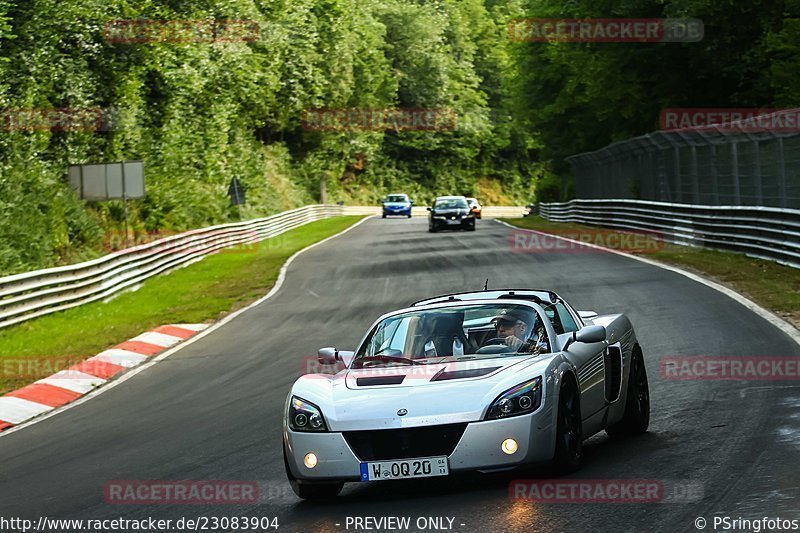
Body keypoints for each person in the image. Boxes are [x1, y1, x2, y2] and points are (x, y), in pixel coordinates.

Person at [484, 308, 550, 353]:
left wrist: (523, 346)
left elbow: (547, 354)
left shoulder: (539, 343)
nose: (500, 329)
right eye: (498, 325)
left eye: (506, 324)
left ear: (522, 328)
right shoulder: (492, 346)